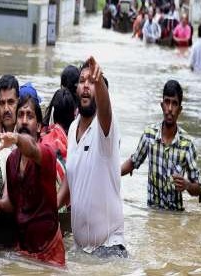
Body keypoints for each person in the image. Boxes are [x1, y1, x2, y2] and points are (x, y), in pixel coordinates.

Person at [0, 95, 65, 267]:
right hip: (23, 252)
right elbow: (11, 203)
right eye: (20, 115)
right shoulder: (11, 160)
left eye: (30, 116)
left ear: (39, 127)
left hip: (50, 255)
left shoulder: (46, 154)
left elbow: (32, 148)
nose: (24, 121)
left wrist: (17, 139)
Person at [65, 56, 127, 258]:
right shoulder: (73, 128)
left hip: (109, 250)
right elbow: (69, 184)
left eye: (91, 82)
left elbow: (106, 109)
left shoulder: (104, 128)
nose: (86, 86)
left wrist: (99, 80)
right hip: (81, 251)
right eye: (82, 81)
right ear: (76, 88)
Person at [121, 80, 201, 211]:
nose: (170, 108)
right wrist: (111, 174)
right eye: (167, 102)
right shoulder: (149, 135)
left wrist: (187, 185)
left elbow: (197, 189)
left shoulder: (187, 145)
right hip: (152, 213)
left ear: (180, 110)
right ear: (162, 105)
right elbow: (133, 162)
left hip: (176, 216)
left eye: (174, 103)